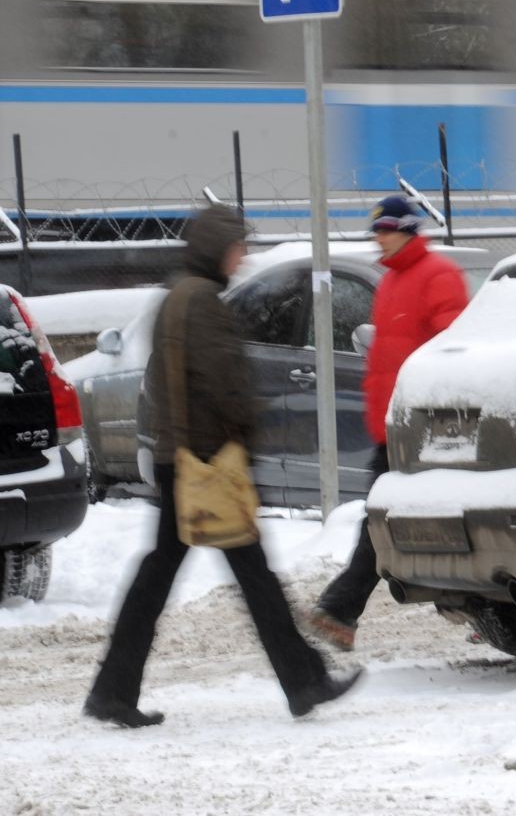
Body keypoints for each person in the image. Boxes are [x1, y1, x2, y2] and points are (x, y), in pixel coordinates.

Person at [86, 205, 360, 728]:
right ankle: (303, 680)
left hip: (180, 456)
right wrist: (243, 438)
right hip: (207, 461)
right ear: (218, 248)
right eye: (238, 246)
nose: (243, 257)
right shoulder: (204, 302)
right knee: (250, 574)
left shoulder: (176, 296)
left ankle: (114, 689)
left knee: (168, 573)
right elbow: (225, 386)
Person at [308, 195, 469, 651]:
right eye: (376, 230)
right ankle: (470, 604)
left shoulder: (438, 277)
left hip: (425, 426)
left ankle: (340, 610)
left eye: (387, 229)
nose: (379, 237)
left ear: (409, 230)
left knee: (387, 520)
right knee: (395, 520)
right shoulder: (392, 282)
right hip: (392, 426)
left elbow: (452, 348)